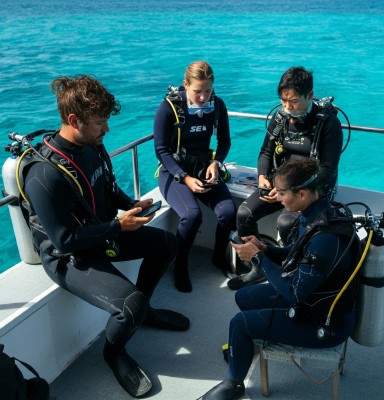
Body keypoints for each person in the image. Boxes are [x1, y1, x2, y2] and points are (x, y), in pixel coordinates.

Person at [22, 75, 190, 398]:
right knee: (130, 304)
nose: (107, 130)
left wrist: (131, 205)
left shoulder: (92, 146)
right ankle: (114, 352)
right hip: (69, 257)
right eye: (100, 123)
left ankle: (146, 314)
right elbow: (62, 241)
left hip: (100, 233)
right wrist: (117, 227)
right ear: (74, 120)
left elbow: (107, 187)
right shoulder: (43, 174)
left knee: (167, 243)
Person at [201, 158, 360, 400]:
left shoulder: (325, 239)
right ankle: (247, 348)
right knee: (244, 297)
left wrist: (256, 258)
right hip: (314, 298)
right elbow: (295, 253)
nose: (277, 196)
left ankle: (233, 384)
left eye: (282, 192)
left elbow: (293, 293)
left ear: (303, 193)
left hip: (325, 323)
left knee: (239, 324)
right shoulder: (319, 213)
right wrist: (265, 249)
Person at [231, 66, 343, 289]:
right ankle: (258, 267)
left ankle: (292, 270)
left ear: (309, 96)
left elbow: (328, 169)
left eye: (293, 101)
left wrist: (287, 191)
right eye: (283, 101)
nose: (287, 107)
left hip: (310, 190)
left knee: (286, 222)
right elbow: (265, 152)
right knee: (244, 214)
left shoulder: (328, 124)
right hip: (280, 185)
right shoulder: (280, 117)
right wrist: (263, 176)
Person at [154, 61, 237, 292]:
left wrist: (216, 163)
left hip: (204, 169)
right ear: (185, 85)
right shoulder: (169, 107)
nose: (203, 97)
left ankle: (219, 257)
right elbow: (161, 150)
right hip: (173, 172)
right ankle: (180, 265)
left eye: (207, 91)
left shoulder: (217, 105)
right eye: (197, 91)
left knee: (229, 212)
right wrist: (184, 177)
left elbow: (224, 141)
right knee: (192, 216)